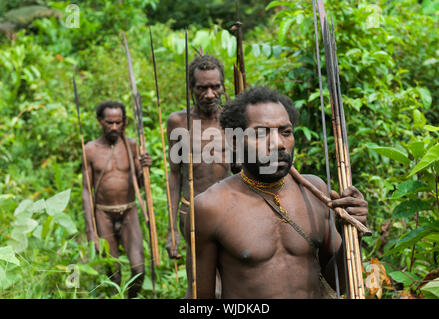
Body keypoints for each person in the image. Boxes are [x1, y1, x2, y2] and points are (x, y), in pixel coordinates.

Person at [192, 86, 369, 298]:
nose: (278, 144)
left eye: (285, 132)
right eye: (260, 134)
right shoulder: (211, 207)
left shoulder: (314, 192)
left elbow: (339, 284)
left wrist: (353, 233)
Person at [165, 55, 236, 259]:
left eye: (215, 87)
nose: (209, 94)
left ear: (223, 87)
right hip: (192, 212)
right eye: (201, 88)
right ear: (191, 88)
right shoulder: (178, 123)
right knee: (200, 280)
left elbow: (244, 171)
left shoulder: (232, 120)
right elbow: (174, 174)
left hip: (229, 210)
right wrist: (172, 230)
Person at [82, 101, 152, 298]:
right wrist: (91, 231)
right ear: (100, 121)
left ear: (125, 122)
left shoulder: (131, 146)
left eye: (118, 123)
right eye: (109, 122)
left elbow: (139, 184)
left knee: (139, 270)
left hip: (129, 211)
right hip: (103, 214)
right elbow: (87, 191)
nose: (114, 127)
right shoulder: (90, 150)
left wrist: (145, 167)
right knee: (114, 273)